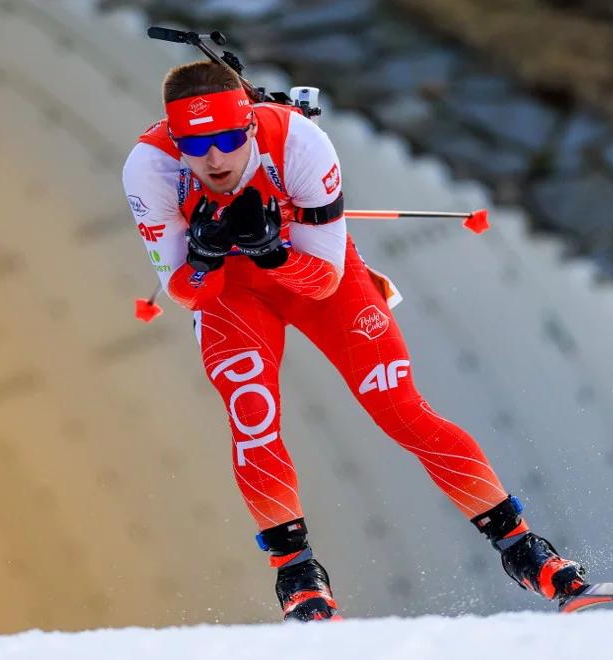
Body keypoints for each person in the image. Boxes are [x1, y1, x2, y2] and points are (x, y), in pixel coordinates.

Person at [121, 60, 587, 621]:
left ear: (248, 124)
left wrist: (274, 251)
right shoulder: (150, 167)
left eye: (225, 138)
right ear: (175, 139)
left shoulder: (299, 143)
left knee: (398, 409)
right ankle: (297, 577)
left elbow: (325, 278)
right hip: (234, 295)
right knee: (253, 416)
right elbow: (185, 291)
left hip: (317, 275)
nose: (213, 159)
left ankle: (524, 551)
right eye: (196, 145)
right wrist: (205, 255)